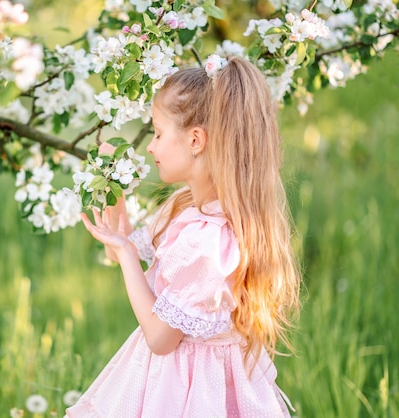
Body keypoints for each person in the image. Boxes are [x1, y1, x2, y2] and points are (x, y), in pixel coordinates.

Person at [65, 55, 301, 417]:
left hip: (191, 390)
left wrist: (128, 255)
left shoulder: (208, 241)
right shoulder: (189, 207)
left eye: (158, 134)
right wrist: (113, 188)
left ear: (195, 140)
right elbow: (121, 247)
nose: (149, 146)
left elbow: (160, 339)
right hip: (176, 377)